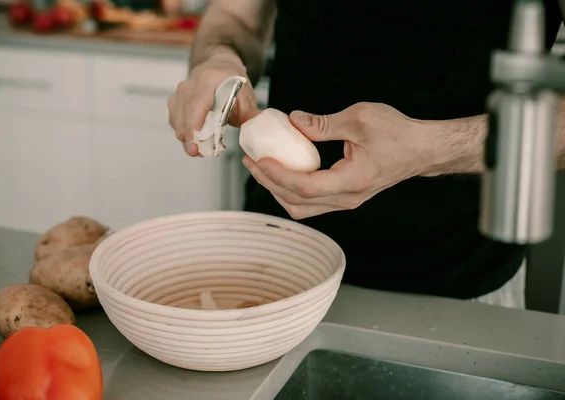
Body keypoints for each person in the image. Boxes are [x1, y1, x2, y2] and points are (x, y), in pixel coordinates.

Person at [168, 0, 565, 309]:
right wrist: (218, 57)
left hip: (460, 276)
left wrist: (431, 148)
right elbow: (234, 17)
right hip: (278, 253)